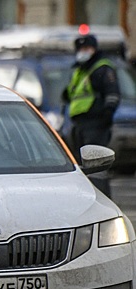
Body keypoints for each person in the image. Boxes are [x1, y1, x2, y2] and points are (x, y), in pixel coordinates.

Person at [62, 34, 120, 196]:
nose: (83, 52)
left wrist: (107, 113)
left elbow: (112, 92)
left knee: (95, 164)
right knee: (82, 164)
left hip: (96, 122)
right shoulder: (81, 70)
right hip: (79, 124)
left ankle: (101, 197)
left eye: (87, 48)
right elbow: (73, 92)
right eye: (81, 49)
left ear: (94, 49)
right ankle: (87, 196)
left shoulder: (101, 68)